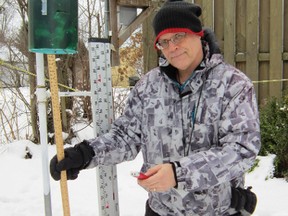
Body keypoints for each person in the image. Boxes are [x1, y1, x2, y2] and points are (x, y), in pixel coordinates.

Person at [50, 0, 261, 215]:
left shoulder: (233, 84)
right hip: (160, 210)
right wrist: (85, 154)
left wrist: (179, 174)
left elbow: (241, 149)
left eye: (178, 36)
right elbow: (126, 137)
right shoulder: (148, 86)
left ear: (197, 33)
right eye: (164, 42)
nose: (172, 47)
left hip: (218, 211)